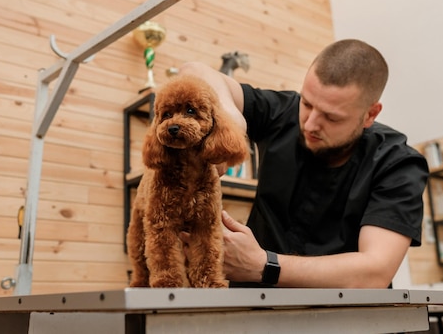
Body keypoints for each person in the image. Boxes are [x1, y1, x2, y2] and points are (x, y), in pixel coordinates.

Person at [178, 39, 428, 289]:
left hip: (344, 319)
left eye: (331, 117)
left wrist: (263, 265)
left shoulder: (398, 164)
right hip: (253, 310)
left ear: (370, 115)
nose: (309, 124)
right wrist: (233, 121)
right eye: (307, 103)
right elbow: (193, 71)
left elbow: (374, 272)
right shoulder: (283, 113)